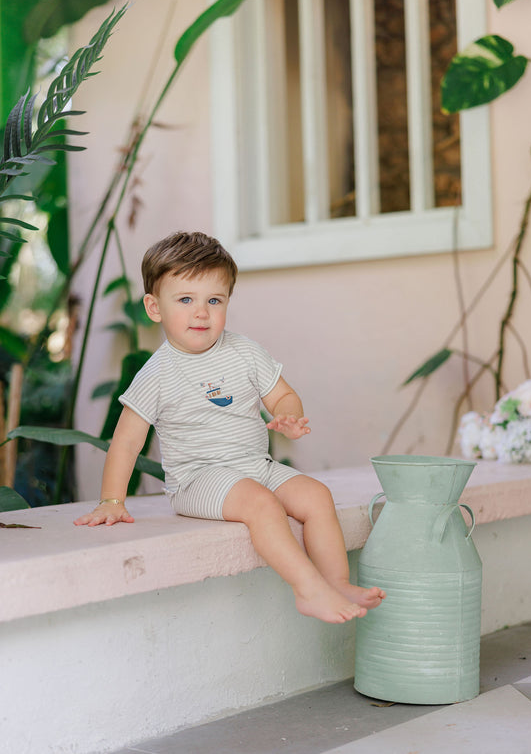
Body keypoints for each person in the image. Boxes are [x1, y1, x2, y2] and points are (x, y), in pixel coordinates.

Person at [74, 231, 385, 624]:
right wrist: (112, 500)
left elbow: (283, 397)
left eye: (213, 300)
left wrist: (289, 416)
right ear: (154, 307)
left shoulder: (244, 351)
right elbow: (126, 441)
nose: (201, 312)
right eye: (185, 299)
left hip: (255, 466)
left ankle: (336, 581)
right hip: (198, 480)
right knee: (261, 505)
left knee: (316, 496)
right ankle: (307, 590)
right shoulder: (157, 373)